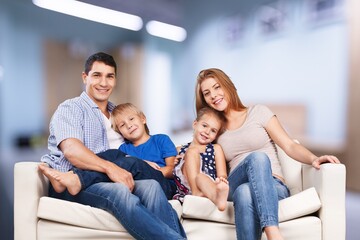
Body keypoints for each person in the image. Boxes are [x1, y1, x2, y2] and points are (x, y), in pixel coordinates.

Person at [39, 52, 186, 240]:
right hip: (82, 186)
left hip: (119, 177)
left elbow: (141, 144)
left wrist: (144, 162)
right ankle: (75, 179)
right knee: (119, 184)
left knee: (151, 186)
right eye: (97, 75)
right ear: (85, 77)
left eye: (110, 76)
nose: (104, 82)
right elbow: (72, 151)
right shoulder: (71, 108)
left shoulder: (119, 115)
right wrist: (112, 168)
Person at [195, 68, 341, 240]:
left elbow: (289, 145)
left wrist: (314, 158)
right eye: (207, 93)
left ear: (228, 86)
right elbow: (198, 150)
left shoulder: (258, 112)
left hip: (274, 186)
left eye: (217, 87)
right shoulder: (214, 129)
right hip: (236, 180)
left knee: (245, 192)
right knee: (256, 160)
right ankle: (274, 234)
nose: (213, 95)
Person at [40, 102, 177, 200]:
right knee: (113, 155)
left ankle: (77, 180)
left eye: (131, 119)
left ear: (143, 119)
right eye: (122, 125)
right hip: (137, 186)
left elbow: (172, 170)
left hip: (164, 186)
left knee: (132, 163)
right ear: (120, 132)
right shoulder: (124, 148)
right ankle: (72, 175)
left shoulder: (161, 140)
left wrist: (143, 165)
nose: (129, 125)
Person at [173, 106, 229, 211]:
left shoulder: (215, 148)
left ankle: (218, 199)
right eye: (204, 126)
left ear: (216, 135)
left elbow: (222, 174)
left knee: (201, 178)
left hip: (206, 187)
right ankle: (196, 192)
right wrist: (174, 162)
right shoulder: (179, 150)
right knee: (192, 151)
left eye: (213, 131)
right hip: (187, 189)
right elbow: (172, 173)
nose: (207, 132)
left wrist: (221, 181)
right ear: (195, 124)